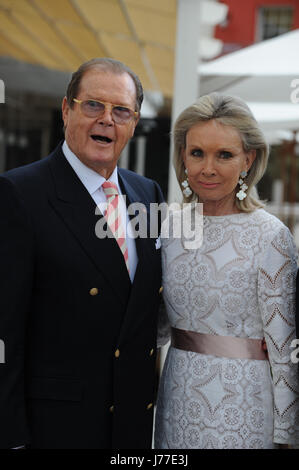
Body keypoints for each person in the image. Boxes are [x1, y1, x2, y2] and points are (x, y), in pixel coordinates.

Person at [0, 58, 164, 449]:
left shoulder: (148, 196)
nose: (106, 119)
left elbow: (150, 305)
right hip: (56, 429)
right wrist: (10, 439)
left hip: (131, 429)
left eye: (120, 110)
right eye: (93, 105)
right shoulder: (18, 194)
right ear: (66, 109)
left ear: (134, 123)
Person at [155, 93, 299, 449]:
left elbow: (284, 347)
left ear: (248, 159)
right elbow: (152, 325)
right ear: (182, 157)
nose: (208, 168)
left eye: (224, 155)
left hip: (244, 404)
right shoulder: (169, 229)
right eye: (197, 153)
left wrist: (286, 433)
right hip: (176, 397)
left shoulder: (270, 236)